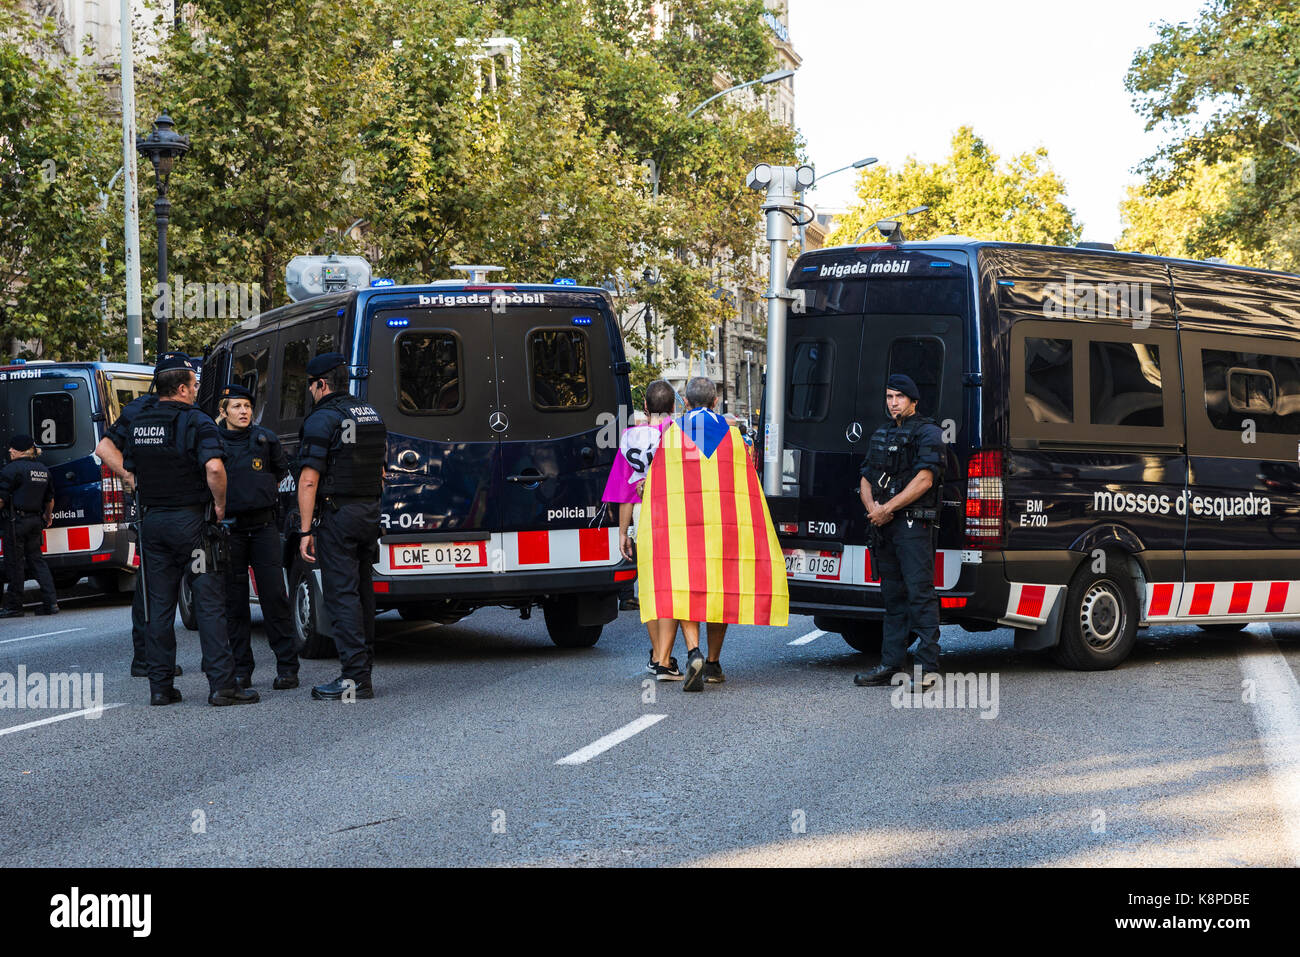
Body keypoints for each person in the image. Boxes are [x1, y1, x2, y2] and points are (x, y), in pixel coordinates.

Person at [637, 376, 789, 692]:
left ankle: (693, 650)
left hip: (682, 529)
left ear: (687, 403)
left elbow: (659, 486)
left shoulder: (672, 435)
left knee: (685, 587)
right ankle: (714, 663)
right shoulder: (734, 438)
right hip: (723, 528)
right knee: (720, 589)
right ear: (716, 402)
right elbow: (747, 488)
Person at [123, 353, 256, 707]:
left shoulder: (140, 422)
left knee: (159, 606)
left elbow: (127, 465)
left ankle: (160, 687)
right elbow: (214, 467)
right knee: (210, 603)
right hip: (192, 525)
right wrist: (220, 506)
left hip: (153, 524)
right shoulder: (197, 421)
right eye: (195, 385)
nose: (197, 390)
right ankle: (222, 686)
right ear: (182, 388)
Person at [295, 352, 387, 701]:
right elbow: (381, 470)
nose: (311, 392)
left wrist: (305, 531)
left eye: (310, 386)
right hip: (368, 513)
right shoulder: (370, 413)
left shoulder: (323, 419)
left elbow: (308, 480)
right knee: (363, 591)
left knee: (342, 594)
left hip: (340, 515)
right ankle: (364, 670)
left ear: (321, 384)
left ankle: (354, 679)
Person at [853, 373, 946, 691]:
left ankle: (927, 668)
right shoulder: (881, 433)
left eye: (899, 397)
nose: (893, 402)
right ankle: (891, 664)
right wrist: (873, 510)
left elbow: (924, 480)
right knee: (892, 598)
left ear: (913, 401)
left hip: (913, 524)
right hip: (885, 525)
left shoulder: (929, 432)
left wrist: (887, 508)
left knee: (920, 595)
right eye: (889, 396)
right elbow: (866, 475)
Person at [95, 358, 181, 679]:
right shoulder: (147, 410)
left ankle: (149, 658)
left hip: (156, 507)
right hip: (160, 508)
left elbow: (105, 447)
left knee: (152, 584)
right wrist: (132, 478)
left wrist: (133, 479)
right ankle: (148, 658)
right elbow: (104, 448)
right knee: (154, 585)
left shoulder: (138, 409)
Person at [216, 383, 300, 690]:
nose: (243, 412)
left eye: (248, 407)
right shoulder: (213, 441)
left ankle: (288, 667)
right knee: (234, 602)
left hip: (264, 528)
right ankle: (242, 669)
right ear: (223, 412)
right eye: (237, 407)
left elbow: (280, 474)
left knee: (275, 598)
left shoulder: (265, 439)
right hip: (230, 531)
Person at [602, 379, 680, 680]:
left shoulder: (629, 437)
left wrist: (623, 533)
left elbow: (625, 490)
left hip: (639, 513)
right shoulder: (678, 435)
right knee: (671, 585)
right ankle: (665, 660)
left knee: (647, 585)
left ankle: (659, 656)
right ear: (672, 407)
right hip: (671, 512)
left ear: (645, 407)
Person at [0, 435, 57, 618]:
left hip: (16, 522)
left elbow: (1, 498)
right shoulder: (43, 470)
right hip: (35, 521)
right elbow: (50, 499)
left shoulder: (11, 470)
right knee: (37, 561)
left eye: (12, 448)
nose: (9, 451)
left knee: (15, 564)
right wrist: (47, 517)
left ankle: (14, 606)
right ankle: (51, 603)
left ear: (19, 450)